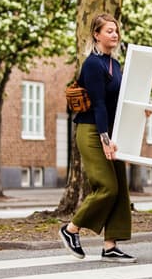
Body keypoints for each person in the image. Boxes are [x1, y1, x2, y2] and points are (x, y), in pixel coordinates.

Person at [58, 13, 136, 263]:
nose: (114, 34)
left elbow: (118, 100)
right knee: (106, 187)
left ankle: (110, 245)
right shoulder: (92, 64)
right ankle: (71, 229)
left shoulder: (114, 64)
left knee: (119, 189)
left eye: (116, 30)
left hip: (111, 132)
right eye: (109, 31)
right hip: (92, 131)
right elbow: (99, 104)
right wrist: (104, 139)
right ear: (96, 34)